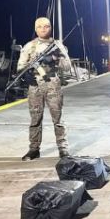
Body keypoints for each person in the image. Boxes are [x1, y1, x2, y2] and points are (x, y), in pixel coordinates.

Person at [17, 17, 72, 161]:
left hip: (52, 82)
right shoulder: (30, 46)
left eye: (46, 26)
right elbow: (20, 66)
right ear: (36, 29)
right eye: (40, 26)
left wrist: (54, 58)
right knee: (35, 117)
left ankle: (63, 148)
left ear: (51, 28)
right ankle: (34, 149)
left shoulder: (57, 45)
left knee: (57, 117)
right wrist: (26, 76)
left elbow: (67, 66)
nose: (43, 29)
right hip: (35, 84)